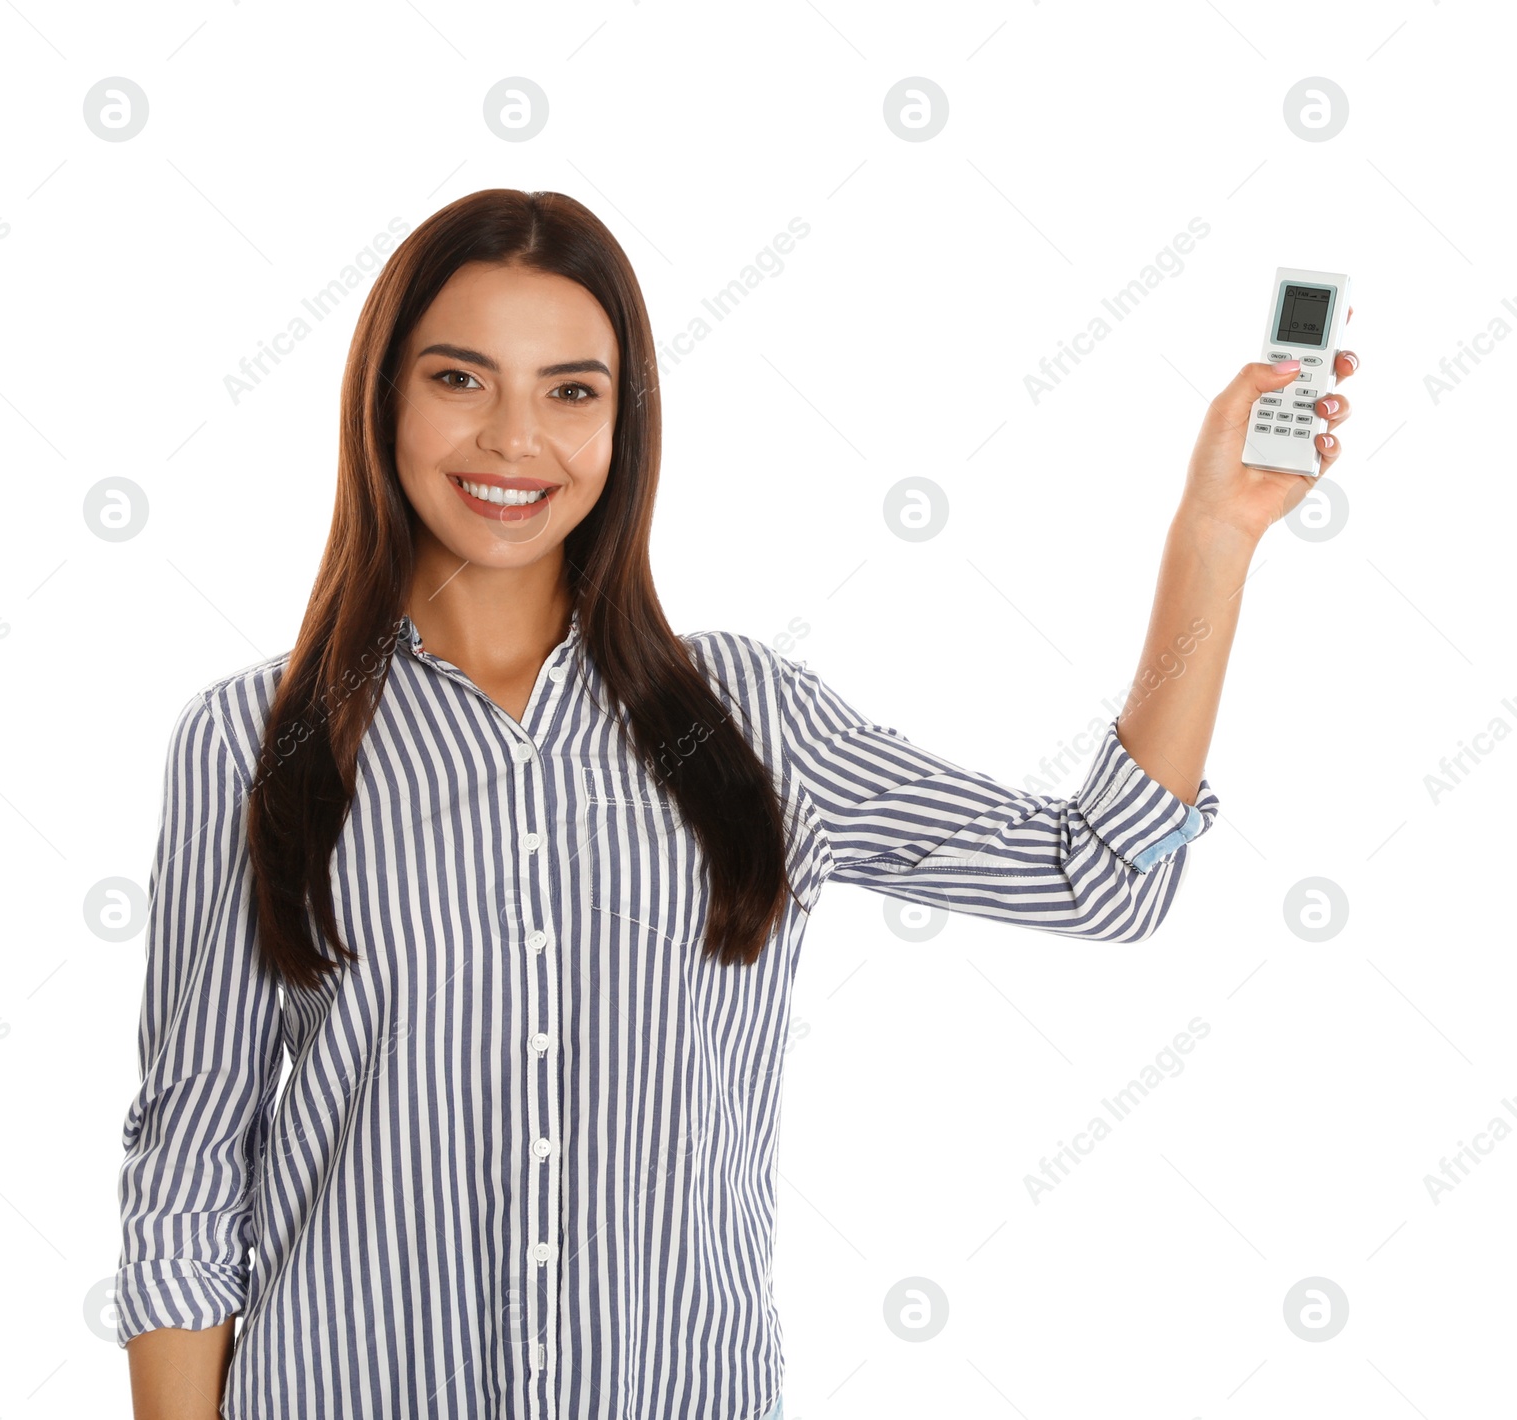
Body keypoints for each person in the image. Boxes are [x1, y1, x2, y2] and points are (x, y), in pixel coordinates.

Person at [114, 189, 1357, 1419]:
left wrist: (1214, 537)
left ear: (623, 422)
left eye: (570, 390)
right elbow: (187, 1170)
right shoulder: (249, 743)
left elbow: (1103, 875)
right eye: (459, 378)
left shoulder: (751, 721)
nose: (513, 438)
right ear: (383, 396)